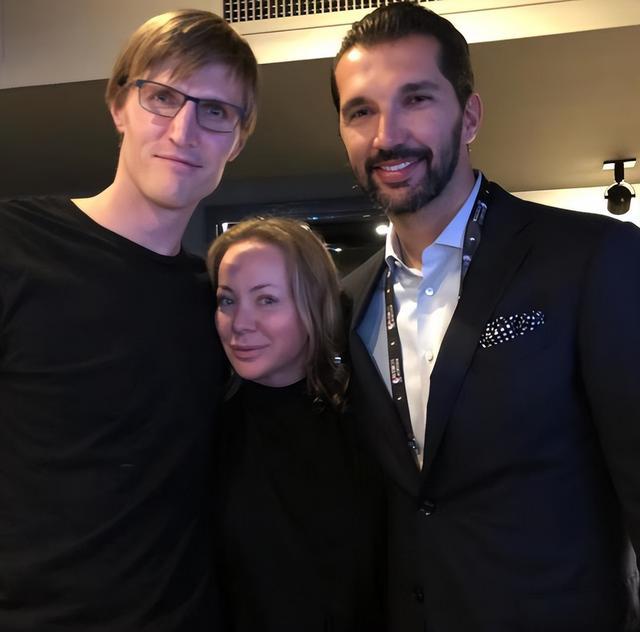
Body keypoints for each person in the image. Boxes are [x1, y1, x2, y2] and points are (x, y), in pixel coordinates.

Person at [331, 2, 640, 631]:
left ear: (469, 116)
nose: (386, 135)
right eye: (360, 110)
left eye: (416, 99)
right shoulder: (345, 301)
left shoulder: (592, 257)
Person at [0, 10, 257, 631]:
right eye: (162, 97)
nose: (184, 130)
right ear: (119, 105)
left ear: (236, 141)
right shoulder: (13, 245)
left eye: (215, 111)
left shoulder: (219, 307)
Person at [207, 217, 385, 632]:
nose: (240, 323)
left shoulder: (370, 422)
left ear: (314, 304)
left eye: (266, 300)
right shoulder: (206, 430)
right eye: (227, 300)